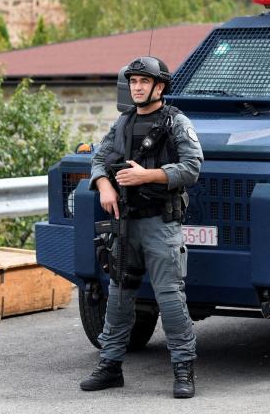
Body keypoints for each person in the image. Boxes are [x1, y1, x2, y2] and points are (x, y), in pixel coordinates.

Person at [79, 56, 203, 399]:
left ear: (159, 86)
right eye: (132, 82)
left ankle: (183, 368)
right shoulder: (123, 123)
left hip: (160, 224)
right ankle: (110, 365)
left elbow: (192, 168)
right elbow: (99, 158)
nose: (136, 87)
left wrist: (148, 176)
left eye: (143, 82)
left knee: (170, 299)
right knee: (118, 297)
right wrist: (103, 185)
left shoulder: (176, 122)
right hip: (125, 224)